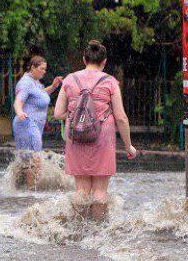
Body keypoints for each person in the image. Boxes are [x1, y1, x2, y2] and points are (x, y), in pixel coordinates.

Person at [53, 40, 137, 221]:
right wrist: (129, 146)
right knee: (100, 191)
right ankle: (97, 231)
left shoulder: (69, 80)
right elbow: (121, 117)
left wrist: (78, 115)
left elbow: (58, 113)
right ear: (104, 61)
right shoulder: (110, 82)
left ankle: (78, 228)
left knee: (81, 189)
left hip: (76, 136)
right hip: (102, 136)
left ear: (84, 59)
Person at [13, 55, 62, 188]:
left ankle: (17, 189)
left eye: (45, 69)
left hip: (33, 125)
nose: (44, 71)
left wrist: (53, 86)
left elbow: (40, 95)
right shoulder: (26, 83)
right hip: (27, 124)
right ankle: (30, 191)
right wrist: (19, 112)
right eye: (41, 69)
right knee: (35, 158)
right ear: (32, 68)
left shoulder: (35, 82)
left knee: (26, 159)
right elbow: (18, 101)